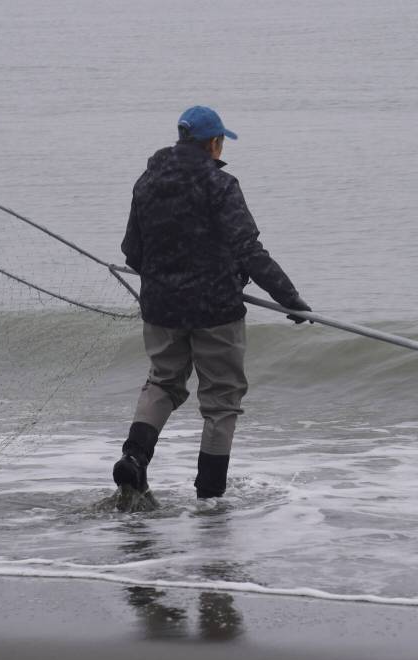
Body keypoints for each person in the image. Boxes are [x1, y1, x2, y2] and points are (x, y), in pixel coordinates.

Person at [116, 105, 311, 503]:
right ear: (213, 143)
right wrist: (291, 300)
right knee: (221, 401)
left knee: (163, 382)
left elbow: (131, 252)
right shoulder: (220, 184)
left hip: (160, 307)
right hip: (215, 310)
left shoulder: (146, 183)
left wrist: (163, 277)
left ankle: (134, 459)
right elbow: (249, 251)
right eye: (221, 143)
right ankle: (209, 500)